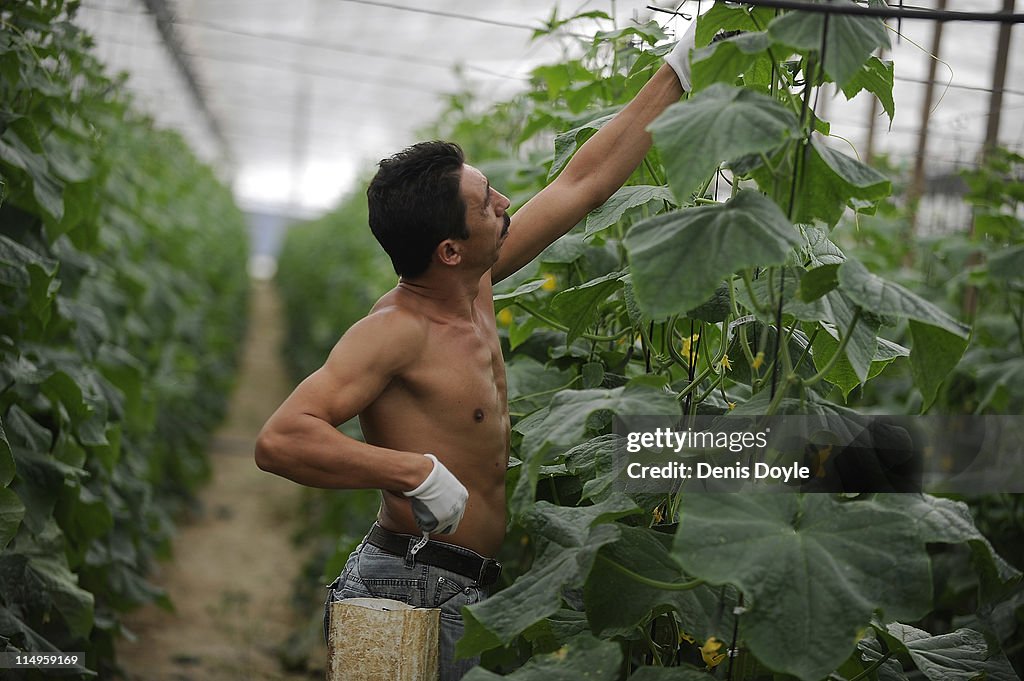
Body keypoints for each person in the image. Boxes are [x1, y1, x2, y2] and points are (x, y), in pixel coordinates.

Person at [255, 21, 697, 681]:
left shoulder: (473, 284)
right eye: (488, 204)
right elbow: (280, 440)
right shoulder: (394, 330)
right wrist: (410, 470)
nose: (507, 203)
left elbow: (583, 184)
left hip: (467, 588)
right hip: (402, 586)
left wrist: (682, 68)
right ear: (449, 249)